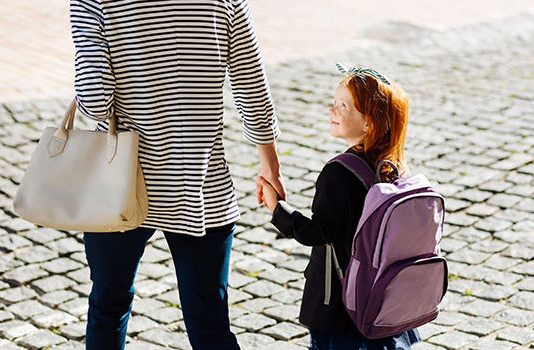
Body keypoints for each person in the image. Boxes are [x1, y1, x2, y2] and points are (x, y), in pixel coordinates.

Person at [69, 1, 284, 349]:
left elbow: (94, 101)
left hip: (118, 181)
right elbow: (251, 81)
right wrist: (270, 166)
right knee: (210, 324)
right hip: (201, 181)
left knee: (108, 308)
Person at [258, 64, 422, 349]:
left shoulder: (338, 173)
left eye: (343, 106)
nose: (331, 110)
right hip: (382, 299)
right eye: (334, 103)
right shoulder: (391, 167)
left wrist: (277, 209)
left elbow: (318, 233)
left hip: (340, 304)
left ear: (368, 122)